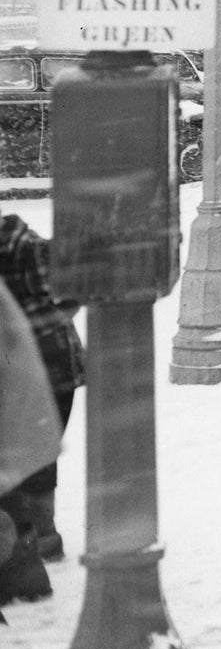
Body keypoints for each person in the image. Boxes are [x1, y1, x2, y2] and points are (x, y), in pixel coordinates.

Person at [0, 213, 82, 586]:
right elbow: (74, 293)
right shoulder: (35, 248)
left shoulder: (24, 252)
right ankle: (41, 537)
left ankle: (34, 540)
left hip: (28, 368)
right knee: (37, 450)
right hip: (54, 365)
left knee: (24, 454)